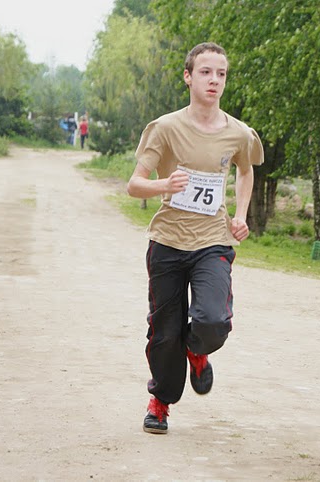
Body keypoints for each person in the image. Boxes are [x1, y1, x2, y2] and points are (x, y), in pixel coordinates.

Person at [126, 42, 264, 435]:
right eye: (205, 72)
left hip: (213, 241)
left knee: (213, 321)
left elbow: (246, 170)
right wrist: (164, 185)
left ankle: (197, 349)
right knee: (164, 332)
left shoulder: (239, 133)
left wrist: (240, 215)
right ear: (188, 77)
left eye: (221, 73)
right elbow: (134, 185)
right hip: (168, 242)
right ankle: (160, 402)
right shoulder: (165, 128)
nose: (214, 80)